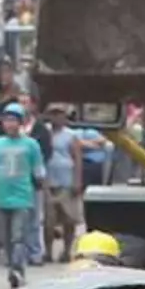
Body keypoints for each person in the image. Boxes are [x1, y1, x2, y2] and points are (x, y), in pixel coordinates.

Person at [0, 103, 46, 289]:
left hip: (22, 196)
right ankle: (11, 269)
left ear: (21, 122)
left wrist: (41, 181)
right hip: (1, 196)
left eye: (13, 120)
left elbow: (38, 168)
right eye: (6, 120)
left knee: (18, 236)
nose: (9, 124)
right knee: (4, 238)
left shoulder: (31, 144)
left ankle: (18, 268)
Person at [43, 105, 87, 262]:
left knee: (69, 219)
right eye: (53, 114)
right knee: (49, 220)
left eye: (59, 114)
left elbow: (77, 158)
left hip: (66, 181)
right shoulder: (44, 132)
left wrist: (77, 180)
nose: (56, 117)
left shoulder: (71, 135)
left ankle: (66, 250)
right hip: (48, 181)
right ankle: (48, 252)